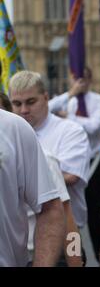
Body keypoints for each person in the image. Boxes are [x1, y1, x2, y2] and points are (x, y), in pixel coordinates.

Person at [49, 67, 100, 263]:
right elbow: (45, 108)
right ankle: (75, 256)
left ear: (90, 79)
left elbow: (94, 126)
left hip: (94, 161)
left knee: (94, 212)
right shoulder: (69, 99)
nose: (79, 81)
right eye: (75, 77)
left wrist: (69, 117)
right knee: (69, 212)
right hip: (72, 160)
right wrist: (70, 94)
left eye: (82, 78)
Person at [0, 108, 65, 266]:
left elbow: (61, 216)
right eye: (17, 103)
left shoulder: (15, 130)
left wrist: (76, 261)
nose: (24, 110)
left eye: (30, 102)